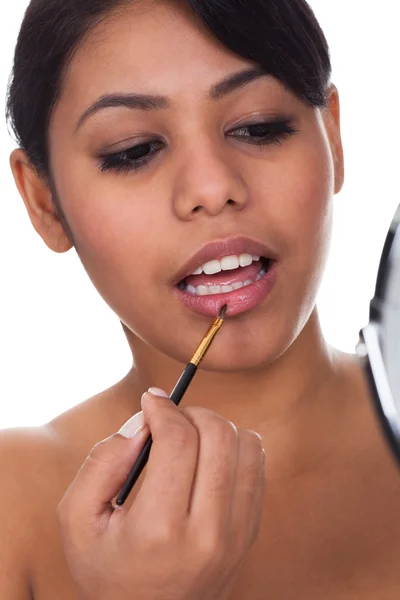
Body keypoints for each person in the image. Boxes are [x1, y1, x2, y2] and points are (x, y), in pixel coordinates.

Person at [2, 0, 400, 598]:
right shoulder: (12, 506)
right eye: (133, 150)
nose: (214, 188)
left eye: (260, 126)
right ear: (43, 202)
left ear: (333, 138)